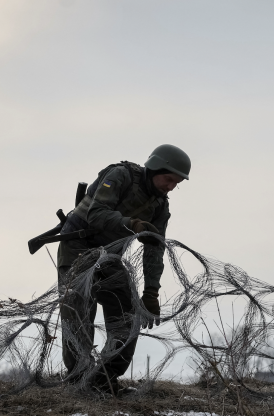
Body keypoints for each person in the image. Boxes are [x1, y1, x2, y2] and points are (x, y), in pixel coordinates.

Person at [56, 144, 190, 394]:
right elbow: (96, 214)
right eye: (168, 178)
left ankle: (103, 381)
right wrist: (133, 224)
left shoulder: (160, 206)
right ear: (154, 169)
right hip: (77, 248)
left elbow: (154, 248)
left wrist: (151, 292)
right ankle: (78, 381)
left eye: (177, 183)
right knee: (78, 312)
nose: (170, 186)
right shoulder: (120, 176)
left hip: (110, 257)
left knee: (129, 316)